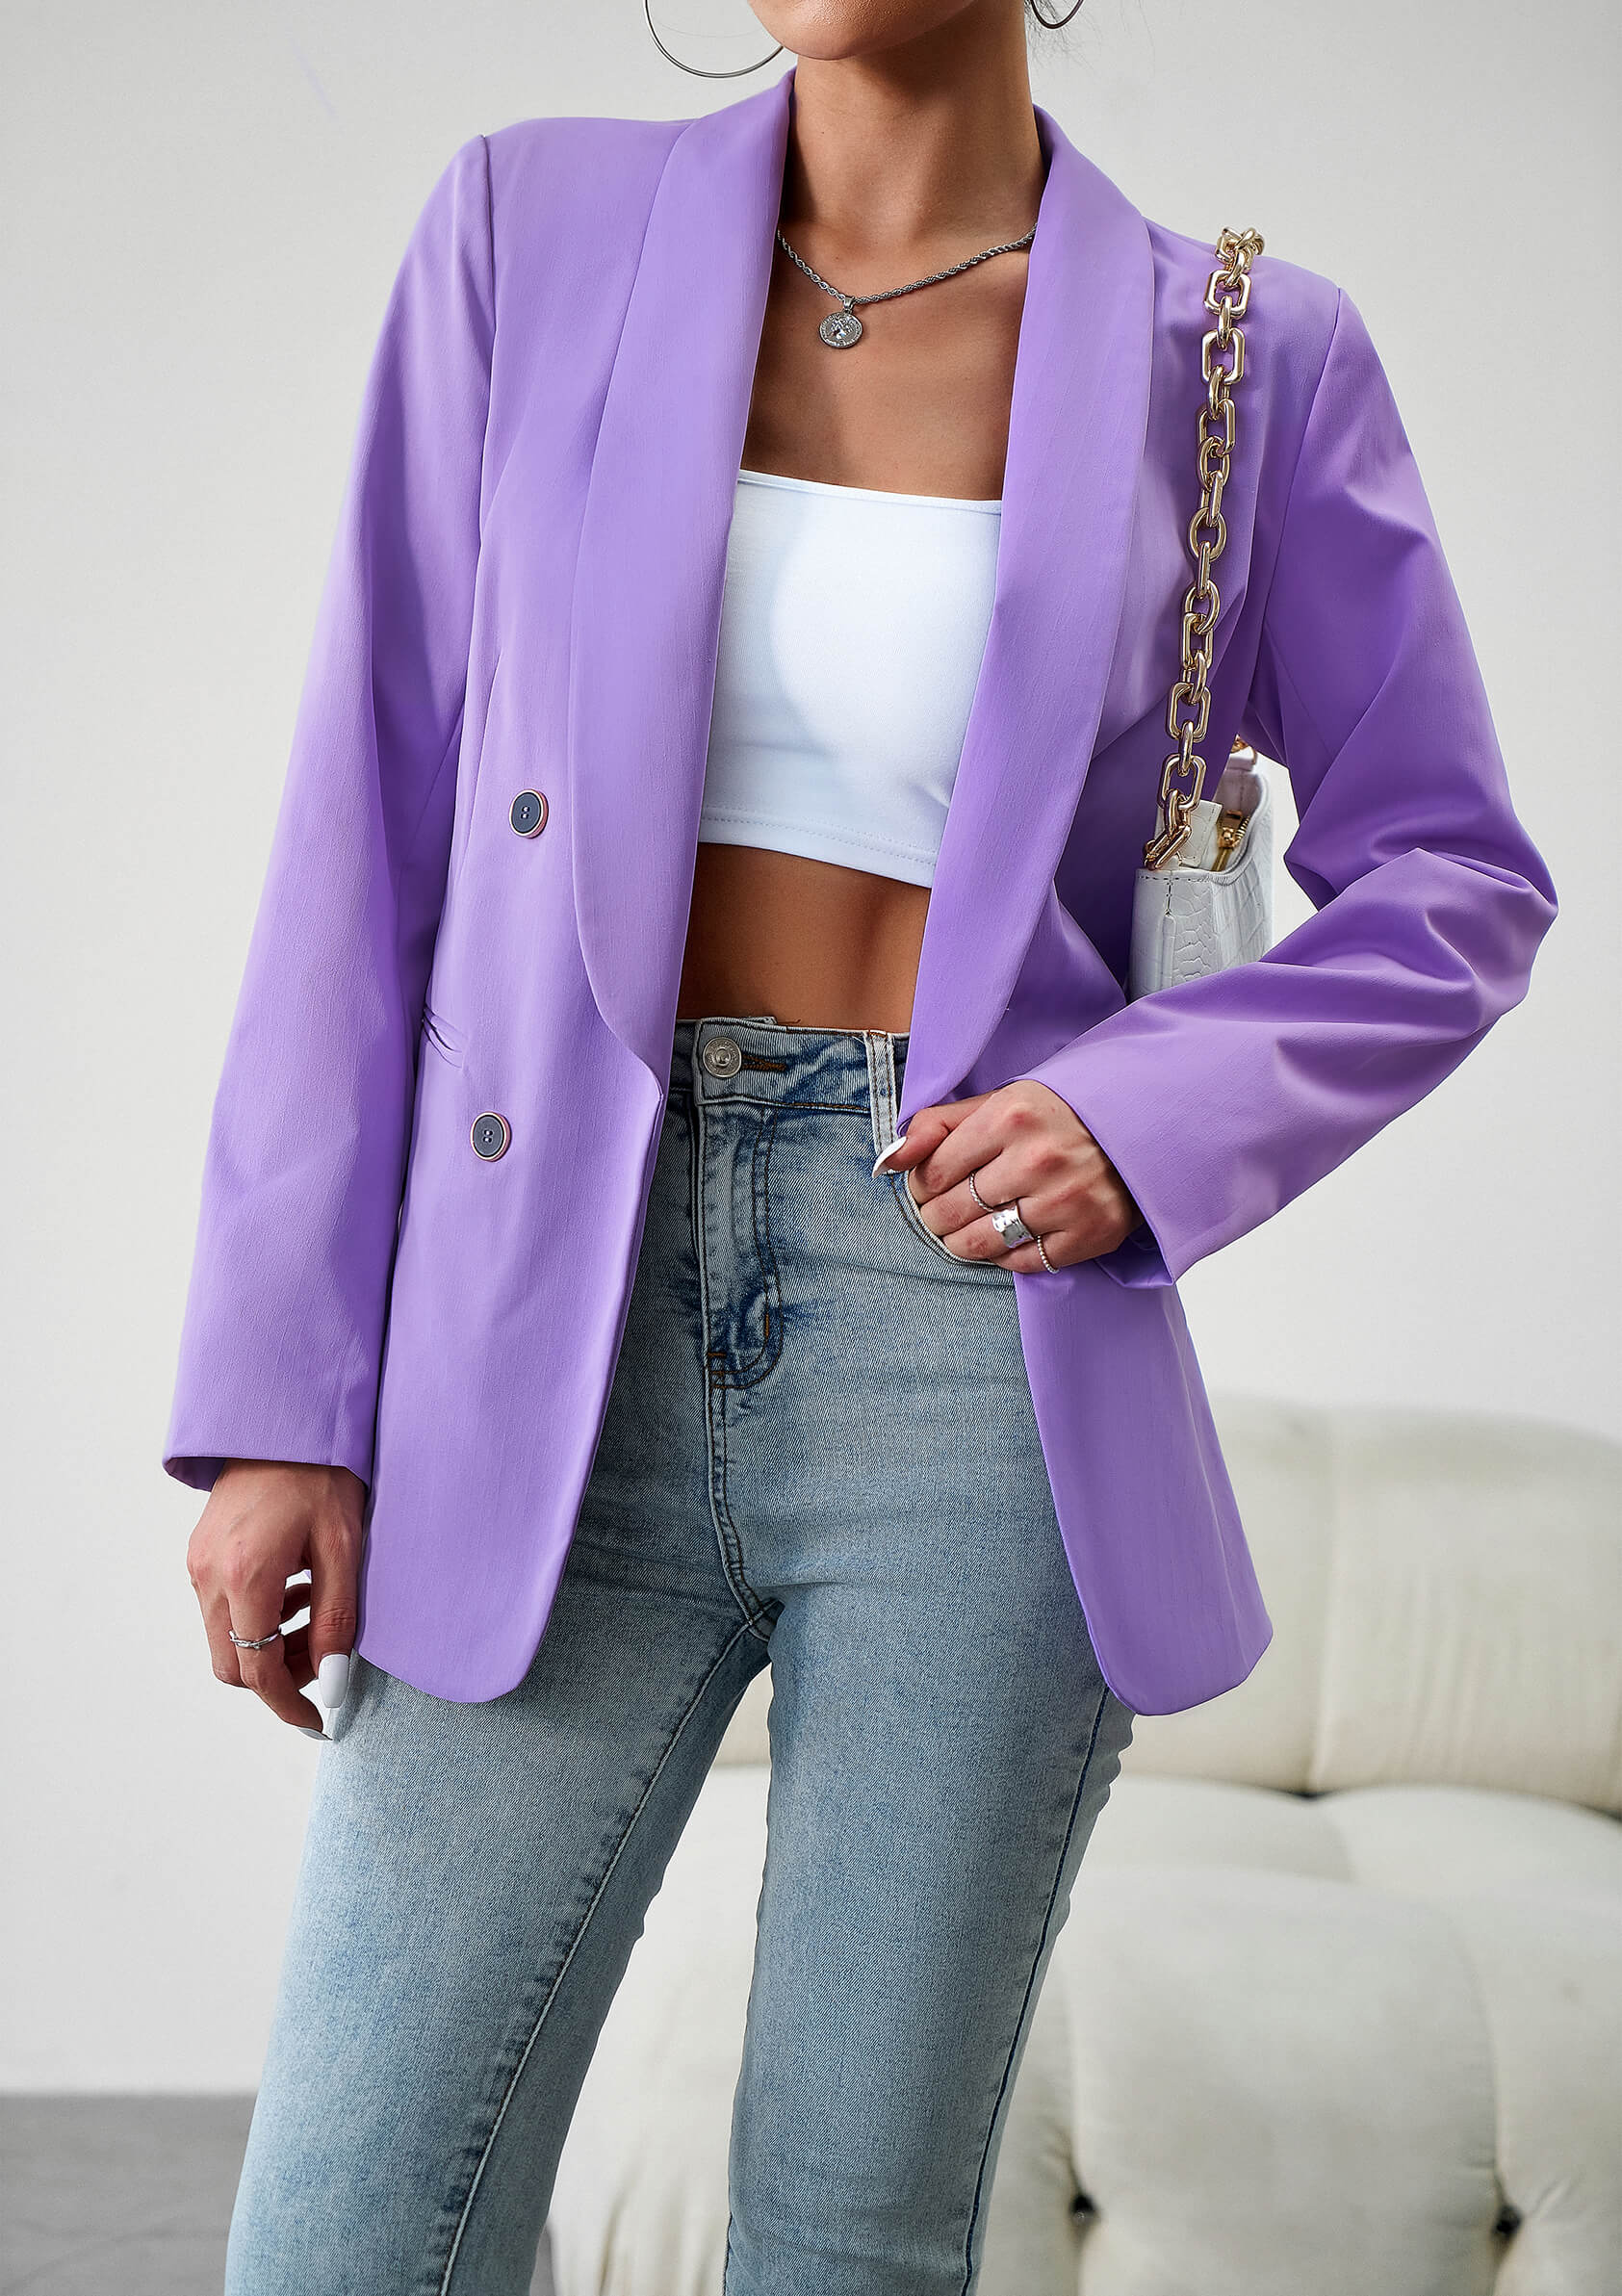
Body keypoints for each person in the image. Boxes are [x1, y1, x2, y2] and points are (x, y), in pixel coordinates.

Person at [167, 4, 1555, 2289]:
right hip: (542, 1316)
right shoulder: (527, 229)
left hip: (973, 1339)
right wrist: (281, 1400)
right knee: (348, 2231)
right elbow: (366, 815)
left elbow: (1456, 872)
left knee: (848, 2240)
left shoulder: (1247, 353)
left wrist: (1138, 1113)